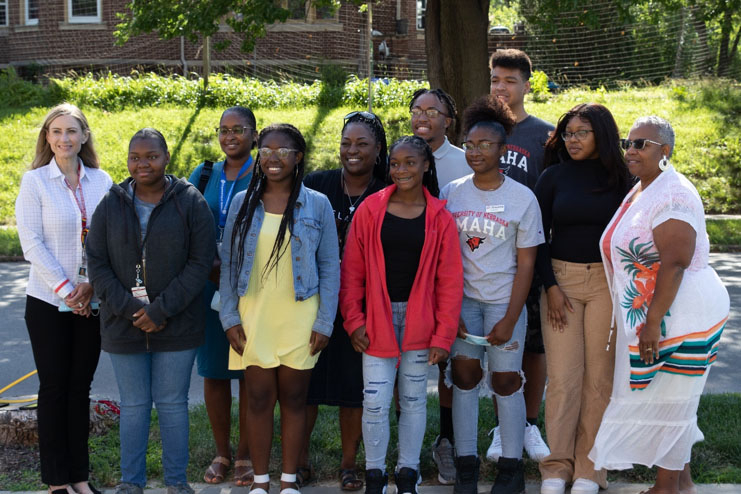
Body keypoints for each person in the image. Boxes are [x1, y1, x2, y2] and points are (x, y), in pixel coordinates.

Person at [589, 116, 730, 494]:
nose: (631, 150)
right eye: (627, 143)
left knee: (671, 396)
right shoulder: (643, 189)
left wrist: (651, 323)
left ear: (664, 151)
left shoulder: (674, 193)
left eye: (641, 144)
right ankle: (681, 484)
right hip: (660, 309)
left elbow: (676, 261)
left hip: (680, 311)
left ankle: (665, 487)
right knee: (670, 394)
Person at [86, 128, 215, 494]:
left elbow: (200, 261)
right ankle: (132, 483)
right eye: (135, 157)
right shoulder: (112, 202)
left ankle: (176, 482)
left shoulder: (190, 201)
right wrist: (129, 309)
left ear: (167, 158)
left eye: (151, 156)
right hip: (122, 323)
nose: (143, 163)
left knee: (173, 403)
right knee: (135, 404)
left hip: (177, 323)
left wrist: (161, 310)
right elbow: (96, 261)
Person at [219, 123, 340, 494]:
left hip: (300, 316)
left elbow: (330, 267)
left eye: (283, 151)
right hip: (253, 314)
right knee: (256, 398)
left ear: (298, 158)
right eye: (266, 150)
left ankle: (288, 482)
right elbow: (228, 264)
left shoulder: (317, 204)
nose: (273, 158)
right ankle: (259, 482)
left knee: (294, 398)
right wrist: (229, 317)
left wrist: (324, 321)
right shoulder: (243, 202)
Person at [340, 135, 463, 494]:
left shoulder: (439, 216)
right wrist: (354, 321)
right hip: (376, 319)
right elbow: (352, 274)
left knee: (412, 400)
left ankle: (407, 473)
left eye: (410, 163)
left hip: (420, 321)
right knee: (375, 401)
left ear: (426, 166)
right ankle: (375, 474)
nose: (402, 170)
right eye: (395, 163)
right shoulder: (370, 210)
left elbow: (450, 282)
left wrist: (443, 336)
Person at [441, 95, 544, 494]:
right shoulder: (451, 193)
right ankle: (467, 465)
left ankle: (511, 467)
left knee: (504, 380)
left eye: (486, 145)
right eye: (469, 144)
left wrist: (510, 317)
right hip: (463, 301)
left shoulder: (523, 198)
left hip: (505, 301)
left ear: (504, 150)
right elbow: (443, 258)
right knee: (464, 376)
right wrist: (452, 310)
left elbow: (527, 266)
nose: (476, 151)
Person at [534, 103, 631, 494]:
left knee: (598, 381)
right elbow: (537, 237)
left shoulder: (623, 180)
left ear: (601, 135)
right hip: (562, 283)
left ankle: (590, 470)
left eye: (582, 132)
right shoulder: (552, 177)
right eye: (568, 132)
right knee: (562, 380)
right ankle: (556, 468)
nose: (572, 140)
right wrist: (551, 287)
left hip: (608, 285)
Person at [15, 103, 112, 494]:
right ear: (47, 138)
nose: (64, 138)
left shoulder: (102, 181)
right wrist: (67, 289)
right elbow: (32, 244)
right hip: (47, 303)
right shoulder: (35, 182)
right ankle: (57, 482)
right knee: (54, 388)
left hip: (92, 302)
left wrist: (89, 285)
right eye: (56, 131)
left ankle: (79, 478)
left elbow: (105, 239)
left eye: (71, 131)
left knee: (80, 389)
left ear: (84, 136)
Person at [300, 111, 388, 491]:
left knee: (355, 385)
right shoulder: (316, 186)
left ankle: (349, 463)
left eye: (362, 144)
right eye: (346, 143)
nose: (352, 151)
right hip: (312, 302)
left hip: (364, 307)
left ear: (378, 149)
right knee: (305, 384)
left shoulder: (389, 190)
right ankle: (298, 461)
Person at [486, 49, 554, 465]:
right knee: (499, 348)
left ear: (527, 85)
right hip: (487, 259)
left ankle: (528, 423)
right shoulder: (481, 129)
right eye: (495, 79)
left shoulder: (544, 135)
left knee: (534, 346)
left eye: (510, 80)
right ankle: (501, 425)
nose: (501, 87)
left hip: (529, 254)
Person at [188, 106, 257, 485]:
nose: (230, 137)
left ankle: (247, 453)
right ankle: (223, 453)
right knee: (214, 372)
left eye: (239, 130)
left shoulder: (265, 172)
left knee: (249, 371)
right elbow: (185, 219)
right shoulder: (205, 173)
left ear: (254, 134)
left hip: (252, 285)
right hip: (209, 283)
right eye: (224, 130)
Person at [409, 87, 468, 484]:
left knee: (446, 362)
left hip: (448, 278)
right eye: (416, 109)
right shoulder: (397, 158)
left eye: (433, 110)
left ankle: (446, 440)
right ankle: (405, 443)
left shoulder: (466, 163)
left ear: (449, 119)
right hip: (402, 280)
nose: (423, 115)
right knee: (399, 361)